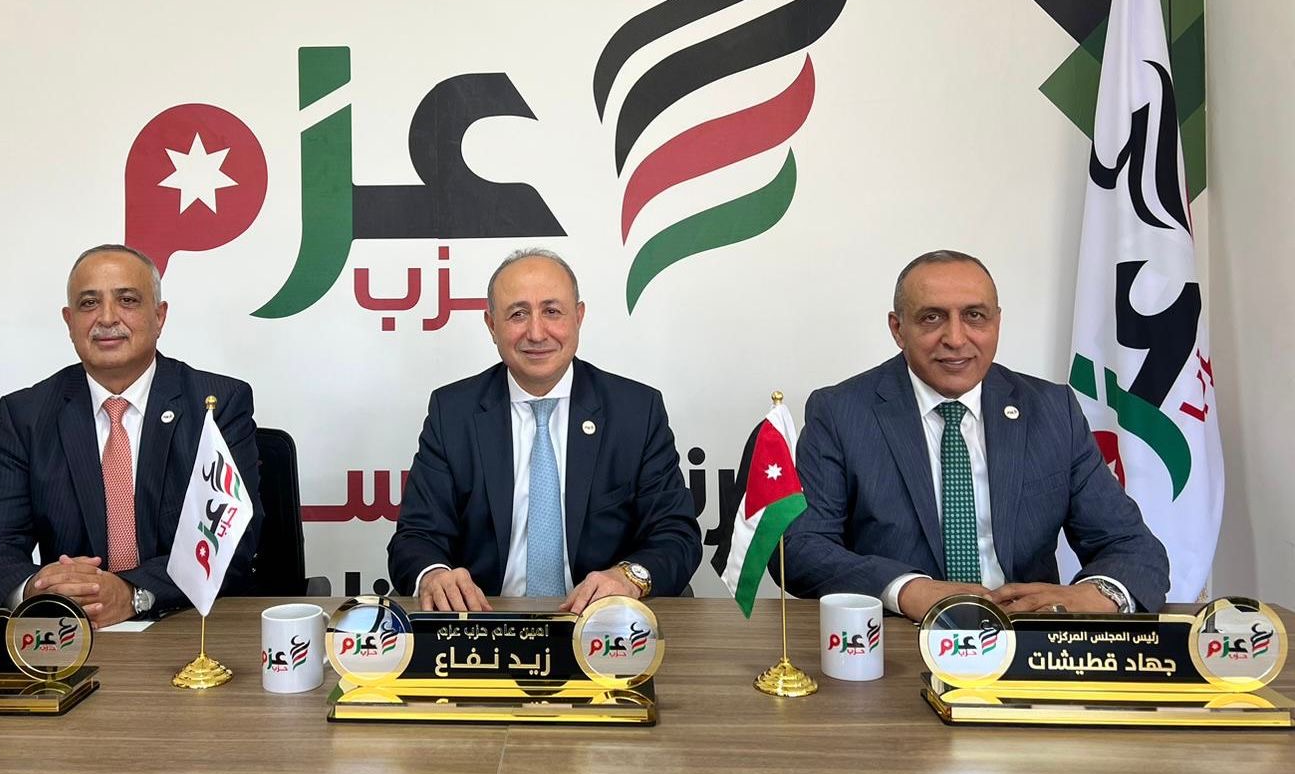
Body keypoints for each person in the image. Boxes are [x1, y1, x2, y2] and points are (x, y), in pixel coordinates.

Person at [780, 249, 1169, 621]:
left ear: (997, 322)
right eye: (932, 318)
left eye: (974, 316)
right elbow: (801, 548)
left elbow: (1134, 547)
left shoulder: (1053, 411)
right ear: (898, 329)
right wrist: (906, 590)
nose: (955, 338)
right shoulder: (840, 412)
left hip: (1024, 636)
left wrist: (1093, 596)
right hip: (898, 635)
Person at [0, 244, 262, 625]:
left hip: (186, 630)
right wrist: (39, 589)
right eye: (89, 303)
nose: (108, 318)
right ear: (69, 322)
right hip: (71, 634)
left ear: (159, 316)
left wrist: (131, 593)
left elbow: (230, 544)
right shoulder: (28, 416)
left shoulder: (215, 405)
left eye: (127, 300)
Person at [387, 249, 701, 613]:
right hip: (484, 622)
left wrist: (628, 577)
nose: (536, 333)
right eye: (517, 314)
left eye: (552, 311)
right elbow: (416, 536)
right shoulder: (453, 412)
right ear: (491, 325)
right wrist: (433, 575)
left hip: (601, 624)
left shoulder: (636, 411)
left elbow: (675, 534)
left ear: (578, 317)